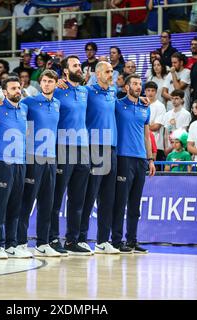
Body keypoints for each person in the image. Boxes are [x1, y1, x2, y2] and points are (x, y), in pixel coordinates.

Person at [16, 70, 62, 257]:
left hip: (51, 159)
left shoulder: (58, 103)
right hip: (33, 157)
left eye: (50, 81)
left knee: (47, 203)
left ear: (56, 84)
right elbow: (14, 111)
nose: (46, 84)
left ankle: (43, 242)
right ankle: (20, 242)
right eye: (43, 81)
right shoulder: (29, 102)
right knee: (27, 202)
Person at [49, 55, 91, 256]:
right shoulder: (57, 90)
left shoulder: (84, 91)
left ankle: (72, 240)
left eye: (80, 65)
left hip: (83, 149)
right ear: (65, 71)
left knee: (77, 199)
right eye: (75, 65)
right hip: (62, 146)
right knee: (57, 196)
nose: (79, 68)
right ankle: (52, 238)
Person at [0, 76, 31, 259]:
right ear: (4, 92)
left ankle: (12, 244)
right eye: (13, 88)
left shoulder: (24, 109)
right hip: (1, 163)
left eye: (19, 88)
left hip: (20, 163)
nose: (17, 91)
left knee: (15, 205)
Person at [79, 61, 120, 255]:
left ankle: (103, 240)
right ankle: (81, 238)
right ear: (97, 73)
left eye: (112, 71)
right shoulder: (87, 91)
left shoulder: (113, 91)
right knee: (90, 195)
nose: (111, 74)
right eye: (107, 71)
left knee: (108, 197)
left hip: (111, 147)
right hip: (94, 145)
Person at [112, 73, 156, 254]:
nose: (139, 87)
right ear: (126, 87)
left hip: (140, 159)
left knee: (134, 204)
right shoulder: (118, 105)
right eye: (135, 84)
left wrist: (150, 159)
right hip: (123, 158)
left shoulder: (146, 108)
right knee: (120, 202)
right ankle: (116, 240)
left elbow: (147, 135)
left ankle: (132, 240)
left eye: (140, 84)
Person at [163, 90, 192, 155]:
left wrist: (174, 146)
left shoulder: (186, 114)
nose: (174, 100)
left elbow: (184, 132)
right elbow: (166, 133)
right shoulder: (167, 114)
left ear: (182, 100)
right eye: (172, 98)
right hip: (169, 147)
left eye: (176, 98)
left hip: (181, 148)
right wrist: (166, 148)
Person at [145, 81, 166, 161]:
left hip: (157, 145)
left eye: (153, 90)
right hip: (143, 144)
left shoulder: (160, 106)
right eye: (148, 90)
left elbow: (156, 127)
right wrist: (149, 125)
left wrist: (143, 125)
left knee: (155, 172)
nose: (150, 93)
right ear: (145, 91)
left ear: (156, 92)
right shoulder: (140, 104)